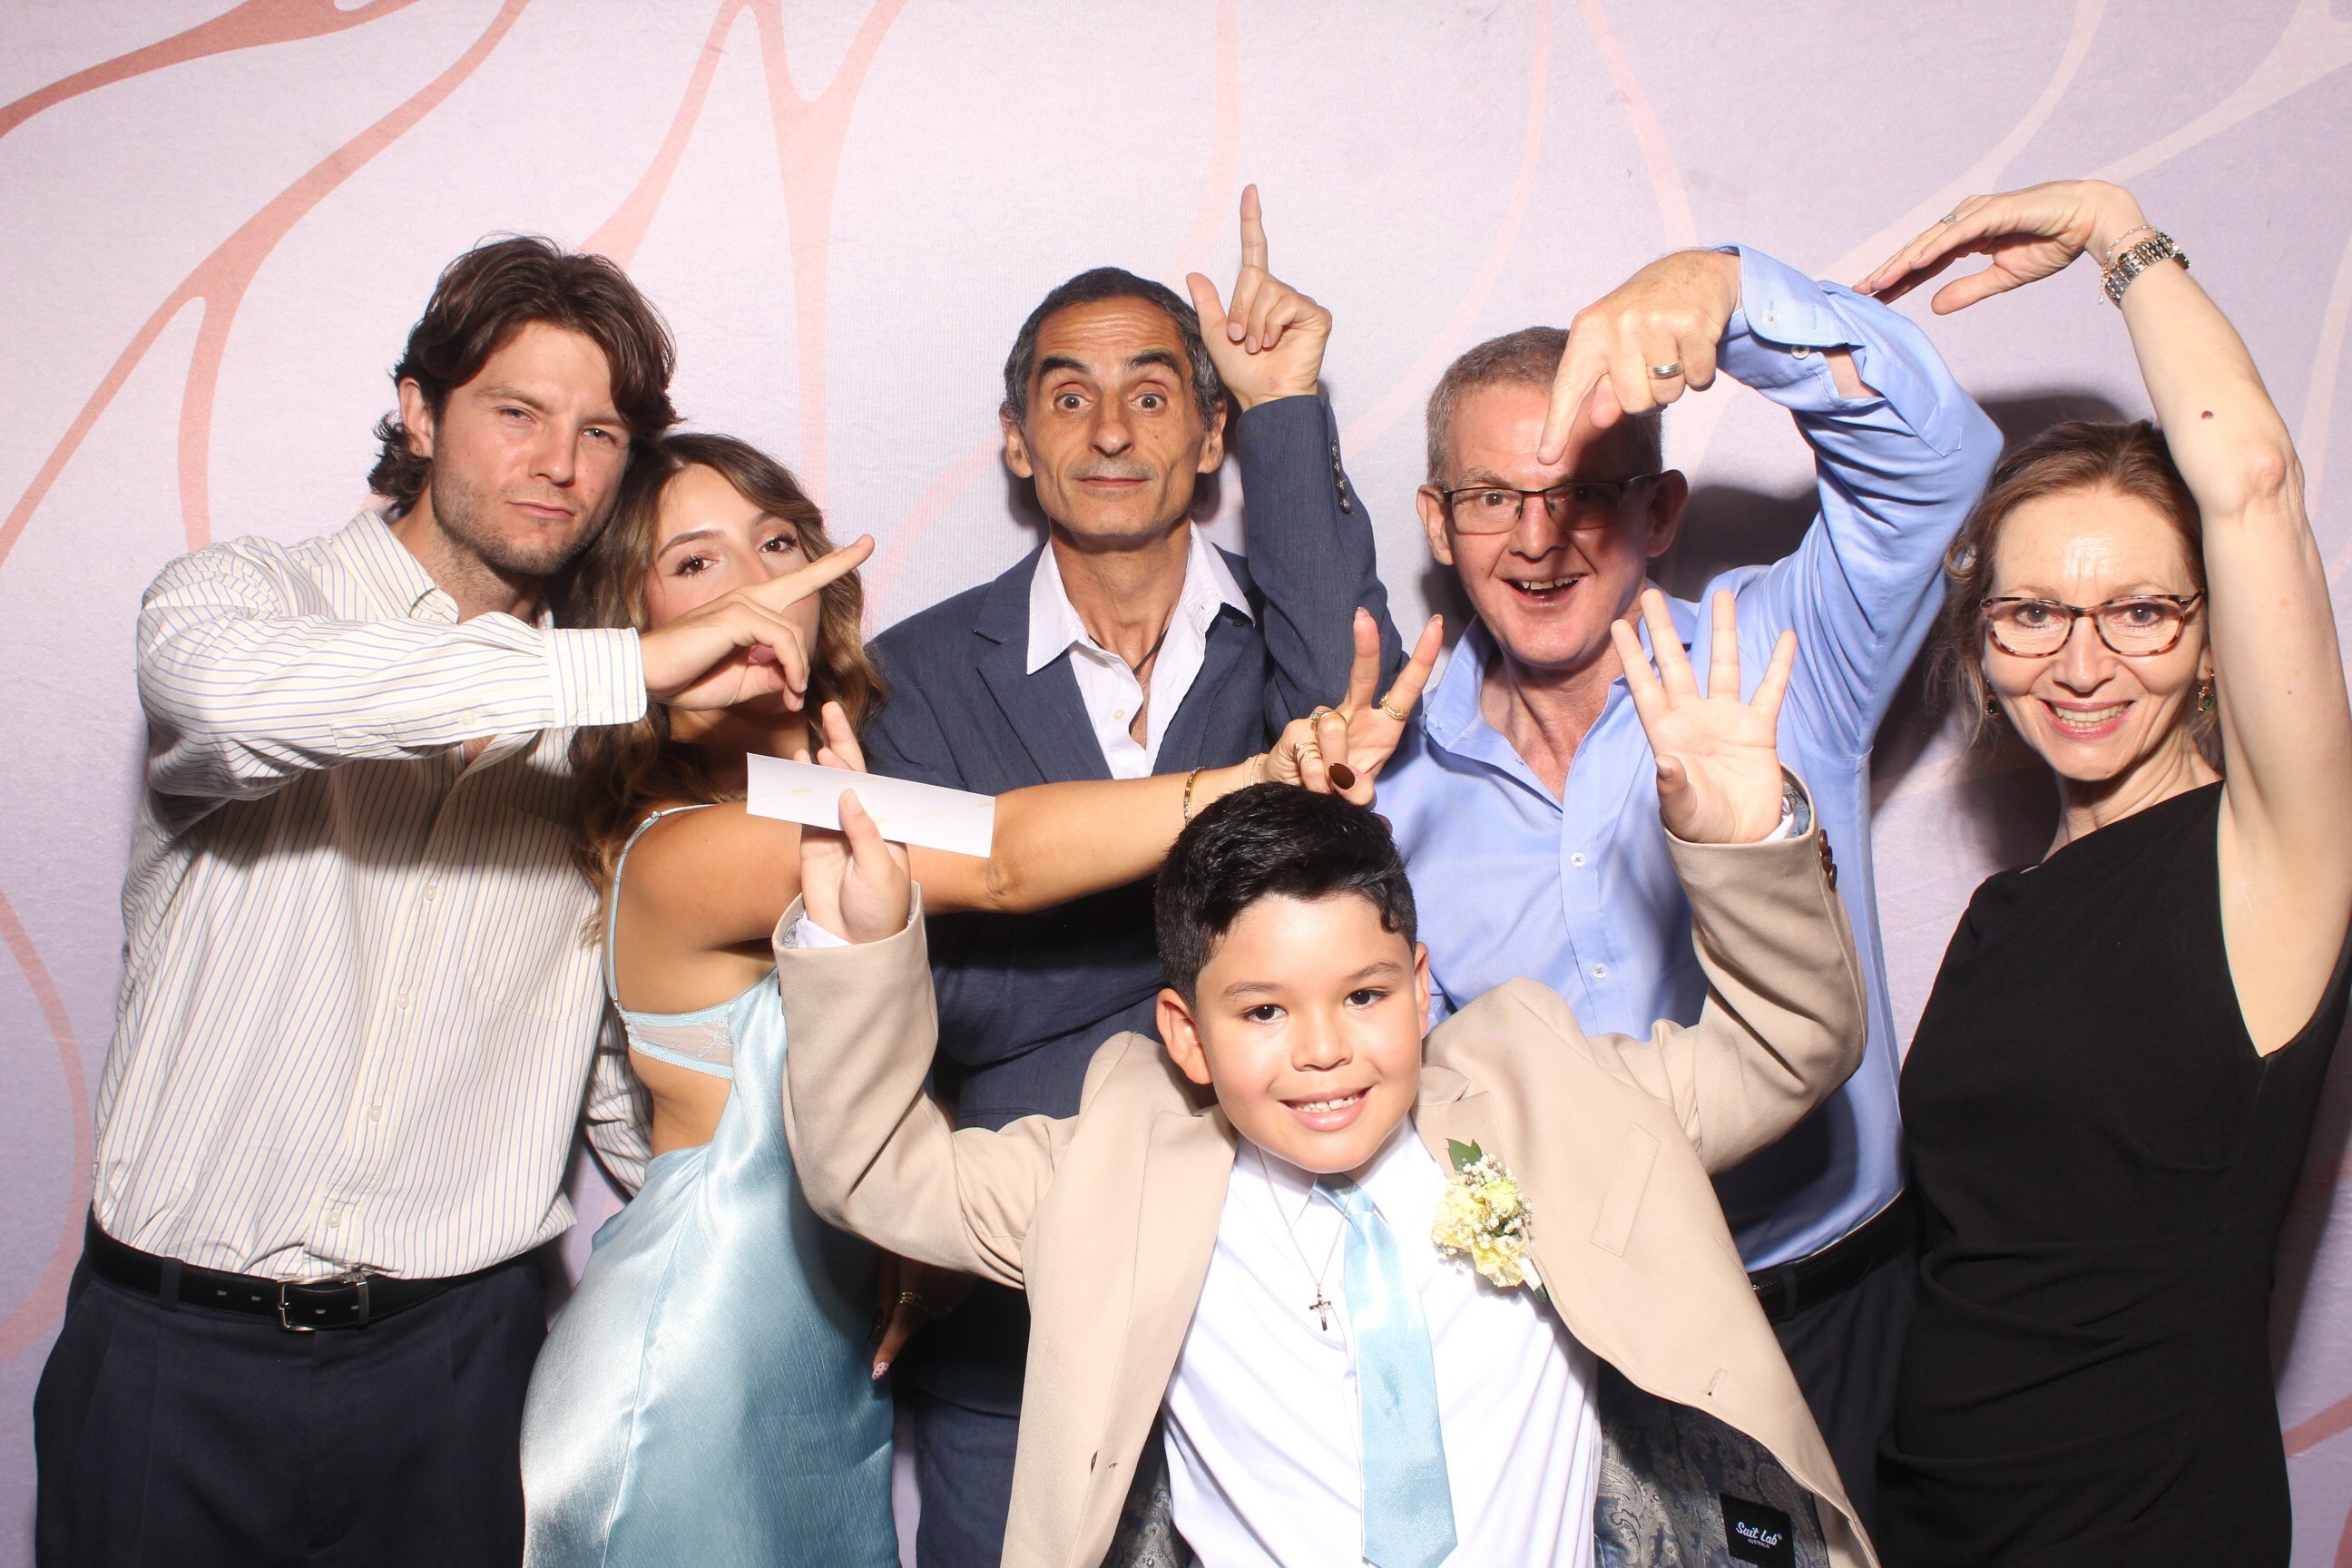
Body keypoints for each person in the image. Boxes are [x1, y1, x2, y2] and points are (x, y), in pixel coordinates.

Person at [32, 238, 873, 1567]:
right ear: (420, 414)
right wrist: (622, 672)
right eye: (516, 412)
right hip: (173, 1356)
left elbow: (627, 1079)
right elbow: (223, 702)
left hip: (457, 1372)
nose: (560, 464)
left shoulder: (617, 736)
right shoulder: (248, 599)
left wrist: (836, 1257)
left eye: (600, 433)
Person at [781, 593, 1877, 1568]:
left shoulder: (1542, 1097)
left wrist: (1747, 845)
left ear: (1420, 986)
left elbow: (1792, 1045)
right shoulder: (1116, 1165)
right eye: (1263, 1012)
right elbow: (871, 1173)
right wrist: (855, 946)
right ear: (1187, 1036)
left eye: (1363, 995)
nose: (1323, 1050)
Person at [519, 431, 1437, 1566]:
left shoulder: (854, 774)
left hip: (828, 1361)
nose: (756, 588)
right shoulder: (685, 849)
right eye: (697, 563)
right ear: (635, 627)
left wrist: (928, 1214)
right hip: (692, 1367)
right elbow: (1000, 857)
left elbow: (895, 1043)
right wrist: (1257, 779)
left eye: (778, 544)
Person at [1368, 238, 2003, 1522]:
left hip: (1824, 1306)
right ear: (1437, 522)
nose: (1537, 539)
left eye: (1585, 493)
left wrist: (1732, 294)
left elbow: (1939, 463)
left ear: (1659, 512)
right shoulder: (1385, 774)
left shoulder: (1777, 652)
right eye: (1492, 497)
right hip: (1570, 1336)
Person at [858, 187, 1412, 1563]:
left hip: (1278, 1263)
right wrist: (1215, 964)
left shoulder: (1289, 644)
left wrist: (1287, 404)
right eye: (1070, 397)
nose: (1110, 431)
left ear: (1211, 436)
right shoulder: (915, 677)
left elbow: (1353, 708)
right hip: (1021, 1298)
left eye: (1154, 396)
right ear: (1017, 439)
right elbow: (931, 992)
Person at [1853, 180, 2352, 1564]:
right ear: (1982, 634)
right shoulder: (2001, 914)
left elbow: (2251, 482)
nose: (2081, 665)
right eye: (2033, 612)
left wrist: (2114, 235)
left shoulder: (2270, 865)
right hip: (1933, 1515)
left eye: (2139, 610)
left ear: (2213, 637)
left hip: (2145, 1529)